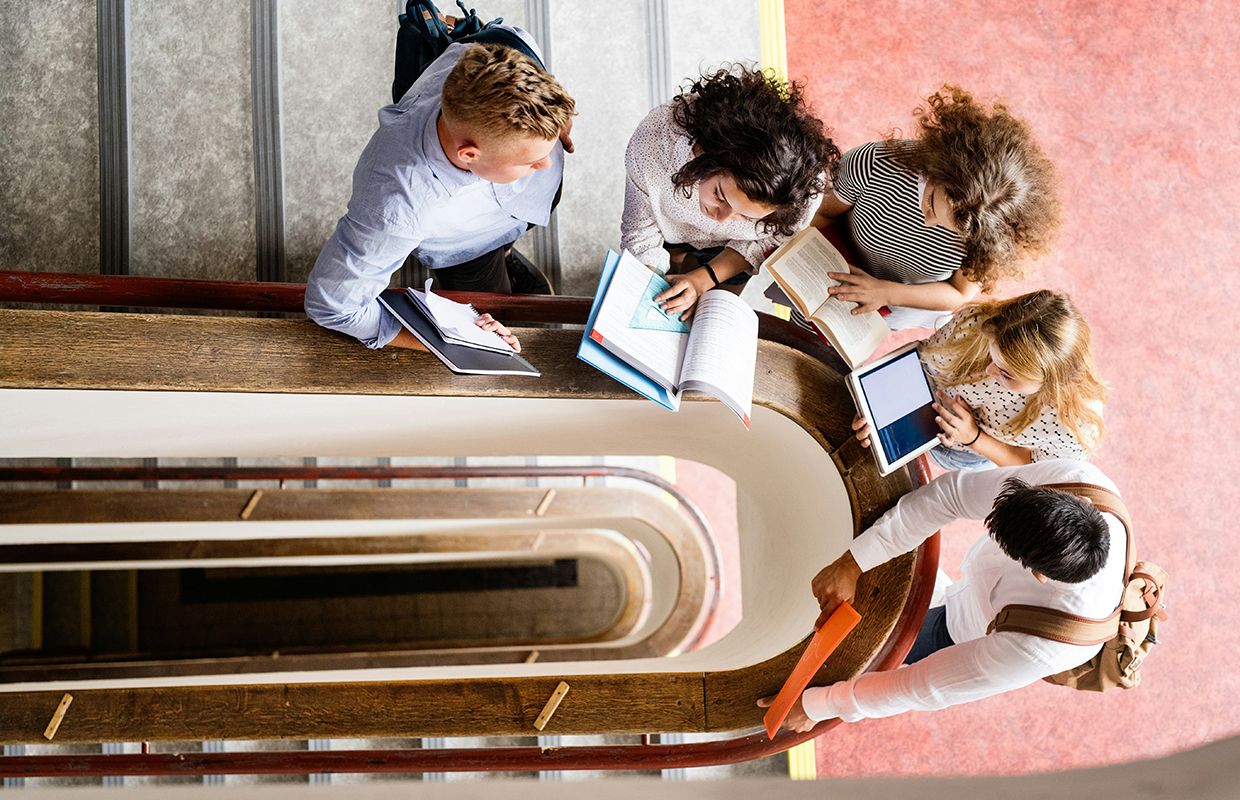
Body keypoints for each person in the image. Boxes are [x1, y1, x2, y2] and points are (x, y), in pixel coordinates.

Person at [759, 460, 1127, 730]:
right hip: (969, 590)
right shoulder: (1079, 480)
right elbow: (953, 495)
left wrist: (818, 705)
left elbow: (921, 687)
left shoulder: (1038, 648)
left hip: (960, 628)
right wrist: (852, 563)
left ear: (1038, 576)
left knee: (896, 644)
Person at [304, 28, 576, 352]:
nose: (547, 164)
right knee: (493, 303)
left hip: (521, 203)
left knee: (538, 205)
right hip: (469, 251)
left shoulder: (485, 59)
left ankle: (505, 251)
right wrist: (443, 340)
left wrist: (555, 116)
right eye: (531, 160)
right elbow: (333, 305)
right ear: (469, 155)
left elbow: (514, 36)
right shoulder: (396, 209)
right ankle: (498, 259)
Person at [813, 86, 1063, 330]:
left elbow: (958, 293)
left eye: (950, 228)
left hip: (897, 302)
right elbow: (823, 214)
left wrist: (886, 294)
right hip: (828, 273)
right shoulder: (873, 164)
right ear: (938, 164)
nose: (929, 222)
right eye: (932, 202)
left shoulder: (988, 230)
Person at [622, 66, 840, 319]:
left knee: (706, 313)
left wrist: (704, 279)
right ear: (707, 155)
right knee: (668, 268)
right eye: (719, 196)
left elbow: (769, 239)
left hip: (735, 249)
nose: (721, 218)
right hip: (668, 226)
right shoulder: (657, 141)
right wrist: (651, 296)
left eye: (748, 217)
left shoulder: (802, 194)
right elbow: (641, 232)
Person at [852, 290, 1108, 469]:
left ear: (1053, 384)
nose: (988, 372)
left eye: (1006, 374)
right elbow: (924, 360)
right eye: (991, 354)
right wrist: (877, 405)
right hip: (921, 402)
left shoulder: (1075, 426)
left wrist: (973, 438)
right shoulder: (976, 323)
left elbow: (1036, 469)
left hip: (969, 451)